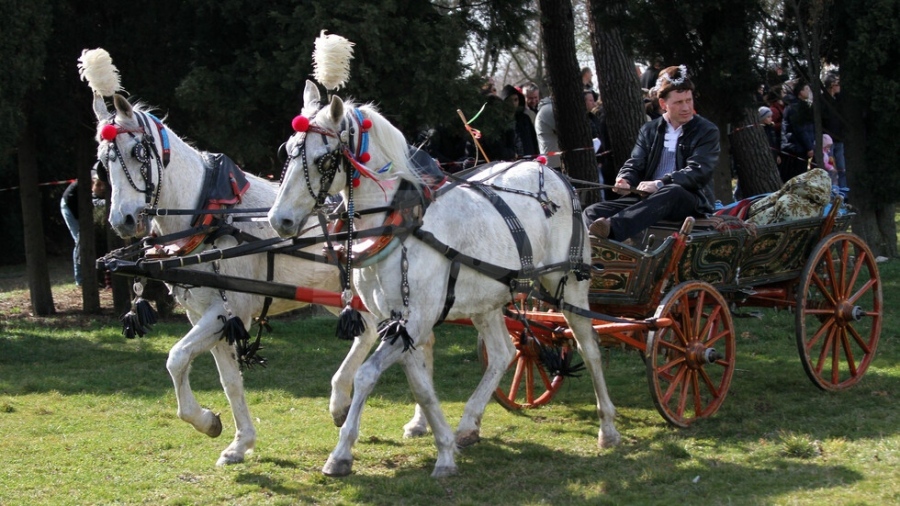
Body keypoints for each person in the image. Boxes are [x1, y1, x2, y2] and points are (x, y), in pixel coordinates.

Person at [583, 65, 719, 241]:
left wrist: (660, 184)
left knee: (673, 191)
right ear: (663, 104)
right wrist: (625, 178)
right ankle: (606, 258)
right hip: (649, 199)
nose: (686, 107)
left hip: (689, 200)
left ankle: (613, 232)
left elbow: (698, 172)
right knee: (592, 211)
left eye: (688, 100)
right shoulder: (650, 129)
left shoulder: (707, 130)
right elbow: (636, 161)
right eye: (678, 102)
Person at [60, 167, 108, 286]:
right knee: (80, 240)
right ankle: (80, 279)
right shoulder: (92, 180)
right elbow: (95, 201)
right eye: (99, 185)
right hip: (70, 206)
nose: (102, 188)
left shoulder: (101, 174)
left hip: (83, 208)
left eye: (103, 185)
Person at [780, 80, 815, 183]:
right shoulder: (795, 108)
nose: (809, 91)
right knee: (795, 178)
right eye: (806, 89)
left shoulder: (803, 106)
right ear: (800, 92)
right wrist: (809, 147)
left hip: (801, 147)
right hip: (795, 148)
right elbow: (800, 129)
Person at [822, 72, 846, 188]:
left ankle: (843, 193)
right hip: (828, 140)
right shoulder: (823, 100)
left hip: (839, 138)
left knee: (842, 168)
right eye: (837, 84)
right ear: (831, 85)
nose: (839, 87)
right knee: (830, 168)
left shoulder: (838, 100)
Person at [500, 84, 539, 157]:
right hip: (510, 162)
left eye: (515, 100)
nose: (513, 103)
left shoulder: (524, 119)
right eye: (509, 100)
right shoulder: (500, 122)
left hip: (528, 159)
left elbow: (533, 140)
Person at [534, 94, 560, 169]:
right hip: (553, 163)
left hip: (554, 160)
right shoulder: (548, 110)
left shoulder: (549, 108)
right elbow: (566, 131)